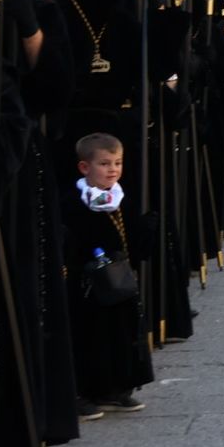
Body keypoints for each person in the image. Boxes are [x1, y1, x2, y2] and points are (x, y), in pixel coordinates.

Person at [63, 133, 155, 417]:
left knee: (119, 333)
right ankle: (87, 390)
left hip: (119, 281)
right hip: (87, 284)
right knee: (91, 336)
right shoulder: (74, 201)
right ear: (84, 167)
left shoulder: (121, 198)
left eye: (117, 162)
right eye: (104, 163)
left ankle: (117, 387)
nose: (113, 169)